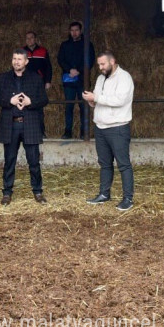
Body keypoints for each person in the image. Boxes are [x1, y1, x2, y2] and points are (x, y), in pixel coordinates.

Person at [0, 48, 49, 205]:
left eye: (19, 59)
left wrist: (31, 103)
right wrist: (9, 101)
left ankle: (37, 191)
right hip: (11, 124)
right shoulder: (3, 78)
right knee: (9, 160)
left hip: (30, 124)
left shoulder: (35, 78)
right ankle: (7, 193)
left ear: (26, 61)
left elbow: (44, 100)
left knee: (34, 161)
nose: (16, 62)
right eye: (14, 59)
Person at [82, 51, 135, 211]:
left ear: (113, 61)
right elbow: (99, 98)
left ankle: (128, 198)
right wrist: (92, 101)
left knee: (123, 164)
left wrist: (96, 98)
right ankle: (104, 194)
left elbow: (120, 100)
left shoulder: (124, 77)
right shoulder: (100, 78)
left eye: (103, 64)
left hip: (118, 127)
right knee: (105, 163)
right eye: (99, 64)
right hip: (101, 127)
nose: (100, 67)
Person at [56, 21, 96, 139]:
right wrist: (70, 70)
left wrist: (78, 70)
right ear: (69, 31)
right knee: (69, 106)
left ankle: (84, 132)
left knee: (83, 106)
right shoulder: (64, 45)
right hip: (69, 80)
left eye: (76, 30)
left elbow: (91, 60)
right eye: (72, 30)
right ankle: (68, 131)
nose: (74, 33)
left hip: (82, 80)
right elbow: (60, 59)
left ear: (81, 31)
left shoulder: (87, 44)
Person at [24, 31, 52, 137]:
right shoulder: (22, 51)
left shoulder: (43, 51)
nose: (29, 40)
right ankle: (26, 132)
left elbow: (48, 67)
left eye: (31, 38)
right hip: (25, 84)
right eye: (27, 38)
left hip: (39, 84)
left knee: (39, 108)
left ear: (35, 39)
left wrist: (48, 81)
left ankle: (41, 132)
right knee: (25, 108)